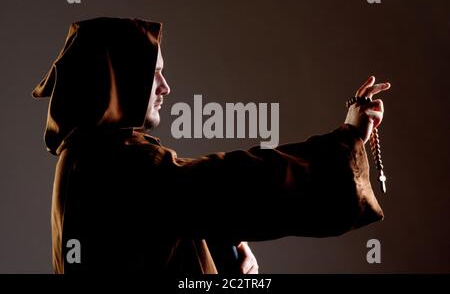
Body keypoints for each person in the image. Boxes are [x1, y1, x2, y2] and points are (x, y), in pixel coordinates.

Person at [32, 17, 389, 274]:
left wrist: (220, 241)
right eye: (152, 73)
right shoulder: (114, 162)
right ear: (117, 78)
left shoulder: (88, 156)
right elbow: (235, 184)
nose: (165, 87)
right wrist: (348, 137)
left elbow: (175, 219)